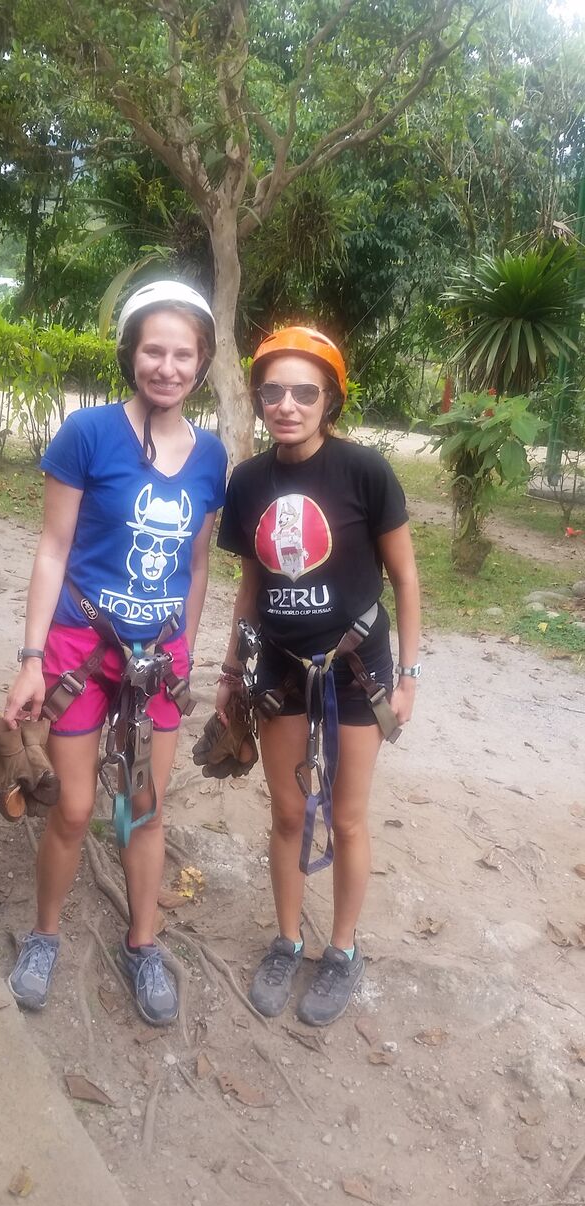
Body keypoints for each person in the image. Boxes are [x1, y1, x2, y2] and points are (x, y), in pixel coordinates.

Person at [2, 281, 227, 1024]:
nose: (167, 366)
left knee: (145, 809)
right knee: (71, 808)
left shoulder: (210, 456)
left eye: (183, 353)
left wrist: (186, 650)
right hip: (80, 647)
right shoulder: (87, 434)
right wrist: (32, 656)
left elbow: (196, 565)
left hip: (156, 660)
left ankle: (143, 944)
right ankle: (44, 935)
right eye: (153, 349)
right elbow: (52, 547)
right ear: (130, 352)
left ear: (203, 362)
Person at [215, 326, 420, 1026]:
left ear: (329, 399)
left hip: (359, 667)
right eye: (272, 391)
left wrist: (411, 673)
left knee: (350, 817)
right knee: (288, 812)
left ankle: (341, 950)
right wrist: (231, 666)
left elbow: (406, 575)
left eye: (305, 391)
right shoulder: (248, 482)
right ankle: (287, 939)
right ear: (259, 399)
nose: (287, 405)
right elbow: (250, 583)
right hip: (278, 663)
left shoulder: (365, 471)